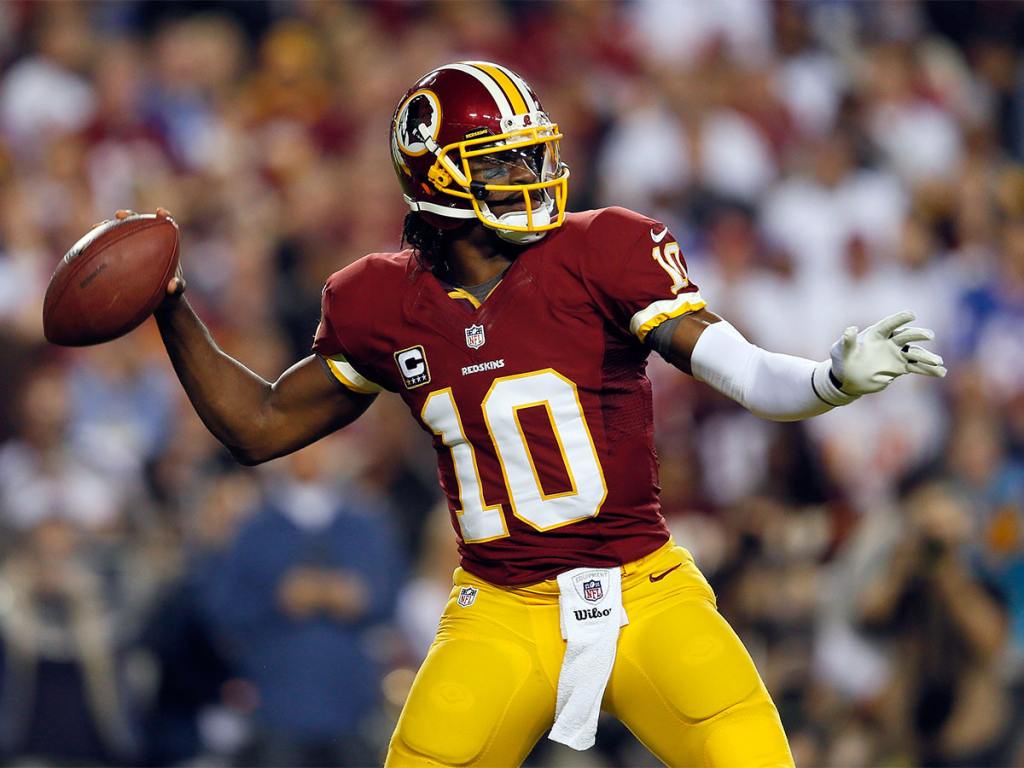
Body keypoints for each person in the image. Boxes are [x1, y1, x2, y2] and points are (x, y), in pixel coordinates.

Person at [134, 62, 945, 767]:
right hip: (499, 609)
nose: (532, 168)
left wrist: (830, 380)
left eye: (535, 149)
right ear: (437, 178)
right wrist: (169, 305)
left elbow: (752, 376)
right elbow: (261, 425)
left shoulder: (604, 250)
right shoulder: (377, 300)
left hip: (645, 590)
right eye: (503, 158)